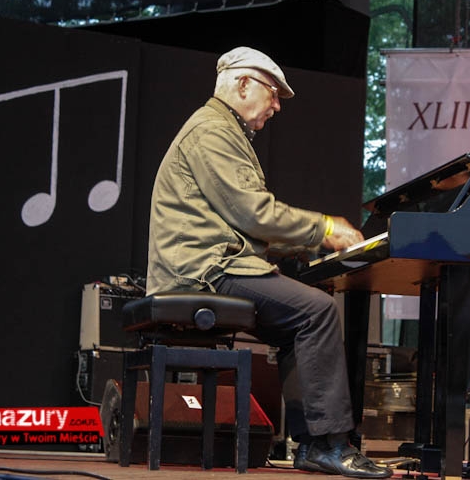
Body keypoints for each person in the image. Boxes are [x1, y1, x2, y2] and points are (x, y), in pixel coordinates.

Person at [146, 46, 392, 479]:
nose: (277, 105)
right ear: (243, 84)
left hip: (210, 264)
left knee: (300, 321)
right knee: (316, 311)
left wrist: (306, 246)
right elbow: (254, 214)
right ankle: (331, 445)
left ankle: (312, 445)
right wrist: (324, 229)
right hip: (203, 271)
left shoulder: (221, 131)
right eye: (273, 92)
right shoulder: (212, 132)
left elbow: (241, 224)